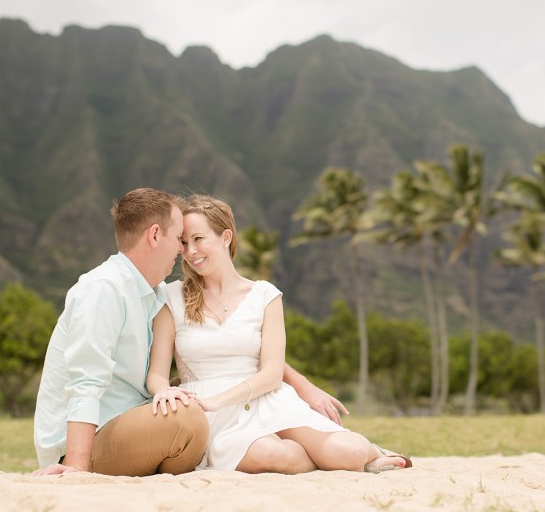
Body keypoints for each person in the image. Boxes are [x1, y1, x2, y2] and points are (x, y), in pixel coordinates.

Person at [32, 188, 345, 477]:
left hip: (130, 423)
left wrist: (302, 385)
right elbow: (86, 380)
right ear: (155, 236)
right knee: (190, 419)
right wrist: (75, 465)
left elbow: (239, 348)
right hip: (85, 444)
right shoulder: (104, 289)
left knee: (190, 417)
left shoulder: (153, 294)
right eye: (179, 239)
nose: (183, 251)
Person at [146, 194, 412, 474]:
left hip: (266, 399)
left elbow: (272, 373)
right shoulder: (170, 296)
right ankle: (325, 461)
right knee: (274, 455)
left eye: (199, 239)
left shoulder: (265, 295)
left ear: (225, 237)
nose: (190, 252)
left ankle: (365, 452)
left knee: (349, 452)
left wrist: (220, 399)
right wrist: (165, 392)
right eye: (184, 243)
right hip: (210, 414)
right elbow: (157, 373)